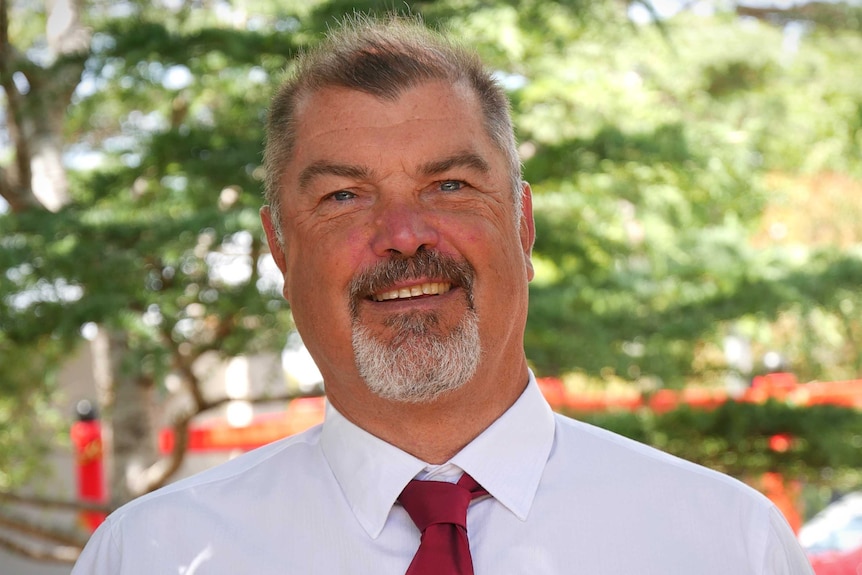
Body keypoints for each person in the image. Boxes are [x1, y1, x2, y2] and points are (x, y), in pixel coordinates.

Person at [72, 15, 814, 575]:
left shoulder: (727, 545)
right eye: (343, 194)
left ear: (522, 221)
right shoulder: (148, 556)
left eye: (449, 185)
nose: (403, 234)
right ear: (279, 247)